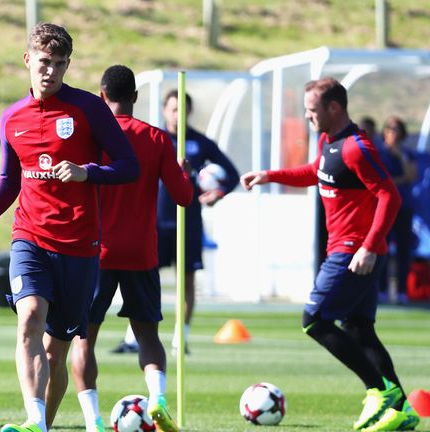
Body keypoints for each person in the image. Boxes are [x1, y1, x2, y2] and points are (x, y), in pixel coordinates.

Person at [0, 23, 139, 432]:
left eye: (58, 64)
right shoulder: (12, 117)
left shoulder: (89, 108)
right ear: (27, 61)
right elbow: (8, 181)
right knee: (29, 316)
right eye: (42, 62)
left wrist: (86, 173)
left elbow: (128, 166)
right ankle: (33, 419)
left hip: (79, 244)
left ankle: (43, 425)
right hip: (30, 237)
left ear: (67, 64)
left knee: (56, 351)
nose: (49, 71)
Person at [240, 77, 419, 431]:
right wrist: (269, 175)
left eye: (311, 110)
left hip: (353, 251)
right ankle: (401, 408)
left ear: (334, 108)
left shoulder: (357, 147)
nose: (308, 117)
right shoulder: (329, 141)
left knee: (314, 319)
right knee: (359, 329)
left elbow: (389, 196)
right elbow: (317, 172)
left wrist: (368, 246)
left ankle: (377, 391)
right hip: (352, 249)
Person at [69, 65, 192, 432]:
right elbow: (184, 197)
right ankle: (158, 400)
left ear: (101, 96)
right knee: (148, 335)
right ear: (135, 98)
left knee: (83, 339)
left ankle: (93, 421)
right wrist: (182, 172)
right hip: (141, 253)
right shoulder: (156, 138)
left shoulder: (91, 139)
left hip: (96, 253)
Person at [112, 89, 239, 355]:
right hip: (154, 223)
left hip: (188, 221)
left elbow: (232, 173)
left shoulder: (200, 143)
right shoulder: (152, 138)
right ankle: (133, 339)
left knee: (187, 281)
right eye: (173, 108)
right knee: (142, 280)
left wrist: (218, 192)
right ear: (164, 110)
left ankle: (181, 339)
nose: (177, 114)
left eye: (182, 109)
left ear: (189, 112)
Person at [377, 116, 416, 305]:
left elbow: (411, 176)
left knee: (403, 250)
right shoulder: (377, 153)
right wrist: (395, 181)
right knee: (381, 247)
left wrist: (400, 156)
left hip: (403, 206)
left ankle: (401, 291)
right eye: (389, 128)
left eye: (396, 129)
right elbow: (379, 179)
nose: (392, 133)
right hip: (384, 207)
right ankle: (382, 289)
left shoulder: (407, 153)